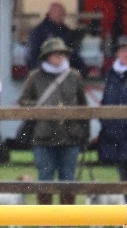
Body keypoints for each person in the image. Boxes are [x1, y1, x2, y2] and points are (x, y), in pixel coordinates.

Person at [18, 36, 89, 209]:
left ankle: (67, 219)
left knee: (68, 178)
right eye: (55, 54)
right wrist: (44, 107)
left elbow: (83, 106)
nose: (59, 57)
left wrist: (84, 134)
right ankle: (45, 218)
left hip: (70, 135)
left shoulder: (74, 76)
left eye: (61, 54)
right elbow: (23, 102)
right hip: (43, 136)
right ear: (46, 56)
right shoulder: (35, 77)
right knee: (45, 178)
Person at [98, 36, 127, 208]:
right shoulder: (112, 74)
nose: (125, 54)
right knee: (123, 177)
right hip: (115, 134)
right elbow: (106, 101)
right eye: (122, 50)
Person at [26, 2, 86, 75]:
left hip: (64, 74)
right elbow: (33, 55)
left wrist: (82, 70)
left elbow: (73, 54)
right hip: (46, 75)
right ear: (50, 13)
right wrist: (38, 73)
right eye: (59, 13)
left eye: (63, 13)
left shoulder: (65, 31)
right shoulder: (39, 32)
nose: (62, 16)